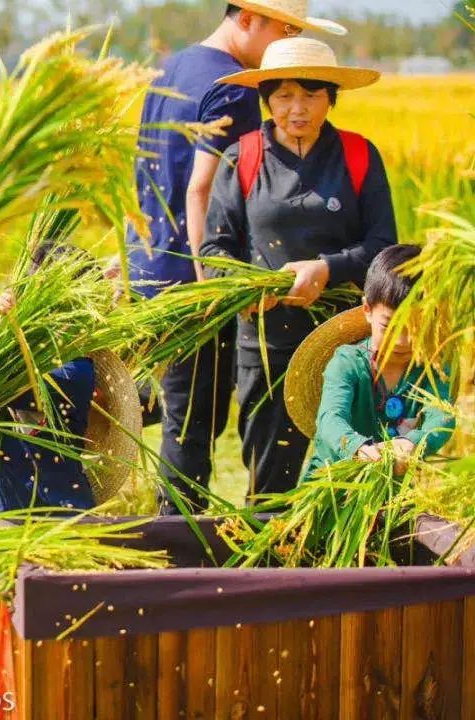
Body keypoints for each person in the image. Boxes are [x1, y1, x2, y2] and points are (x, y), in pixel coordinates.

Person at [124, 1, 346, 513]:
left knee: (176, 398)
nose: (285, 47)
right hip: (194, 274)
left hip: (152, 262)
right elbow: (201, 189)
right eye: (282, 30)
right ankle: (178, 536)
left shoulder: (170, 68)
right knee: (194, 417)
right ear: (247, 20)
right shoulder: (237, 84)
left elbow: (145, 168)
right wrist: (214, 282)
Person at [200, 37, 396, 497]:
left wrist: (326, 269)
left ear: (331, 97)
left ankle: (353, 568)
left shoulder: (359, 156)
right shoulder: (243, 158)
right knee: (271, 481)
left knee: (351, 474)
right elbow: (214, 251)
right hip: (266, 344)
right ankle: (271, 563)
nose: (298, 109)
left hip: (347, 339)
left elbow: (383, 246)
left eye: (311, 94)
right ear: (266, 100)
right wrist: (249, 291)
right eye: (284, 96)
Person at [0, 242, 100, 687]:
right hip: (8, 513)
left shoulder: (77, 366)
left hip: (62, 519)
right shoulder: (12, 353)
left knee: (56, 636)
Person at [293, 245, 455, 480]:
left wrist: (413, 443)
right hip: (332, 484)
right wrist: (358, 449)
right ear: (368, 309)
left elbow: (442, 418)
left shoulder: (433, 368)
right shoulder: (347, 363)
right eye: (390, 326)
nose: (403, 341)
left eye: (416, 328)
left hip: (393, 490)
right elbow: (330, 419)